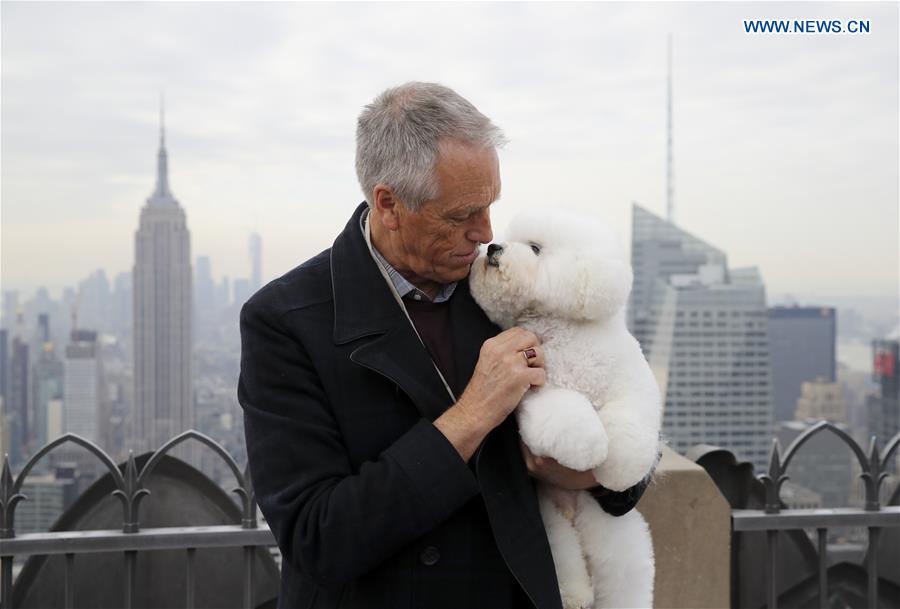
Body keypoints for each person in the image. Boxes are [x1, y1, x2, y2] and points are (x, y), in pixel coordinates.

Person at [238, 82, 651, 609]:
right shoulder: (286, 320)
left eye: (488, 207)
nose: (486, 233)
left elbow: (623, 414)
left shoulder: (509, 288)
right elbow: (318, 538)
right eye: (461, 216)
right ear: (389, 204)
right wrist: (474, 411)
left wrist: (592, 475)